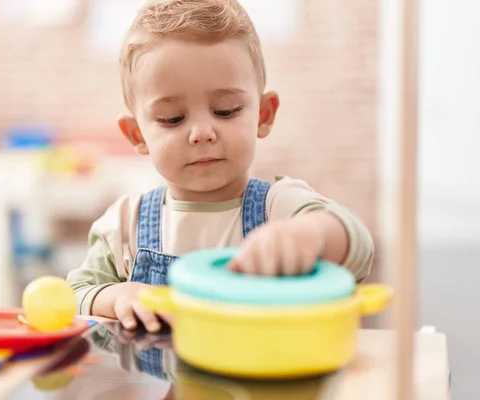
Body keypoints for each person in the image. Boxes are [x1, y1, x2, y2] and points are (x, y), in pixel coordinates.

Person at [67, 0, 374, 333]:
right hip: (168, 386)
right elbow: (74, 297)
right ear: (137, 134)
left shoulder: (280, 208)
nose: (201, 133)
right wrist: (116, 295)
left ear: (264, 114)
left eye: (226, 110)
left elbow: (359, 248)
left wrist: (311, 234)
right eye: (173, 119)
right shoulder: (125, 225)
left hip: (267, 382)